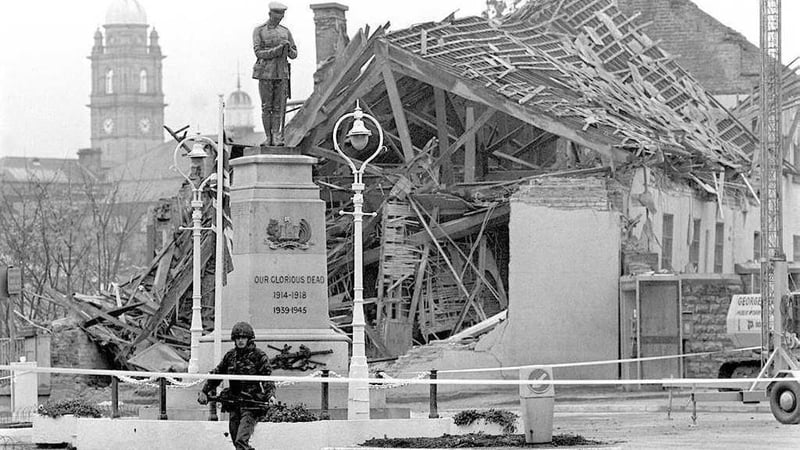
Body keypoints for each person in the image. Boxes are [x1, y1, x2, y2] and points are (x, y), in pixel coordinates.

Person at [198, 321, 274, 450]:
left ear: (249, 339)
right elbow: (217, 374)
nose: (240, 341)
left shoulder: (259, 356)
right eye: (238, 338)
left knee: (241, 440)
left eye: (243, 337)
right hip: (234, 403)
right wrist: (205, 391)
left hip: (251, 404)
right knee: (235, 441)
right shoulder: (230, 356)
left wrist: (270, 395)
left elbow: (267, 378)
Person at [252, 2, 297, 147]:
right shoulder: (259, 30)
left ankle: (277, 136)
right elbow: (258, 52)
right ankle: (268, 137)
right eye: (278, 16)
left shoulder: (285, 31)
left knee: (279, 107)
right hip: (265, 72)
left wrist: (289, 49)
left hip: (281, 73)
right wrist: (277, 50)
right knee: (266, 107)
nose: (280, 19)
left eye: (282, 17)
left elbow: (295, 54)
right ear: (270, 14)